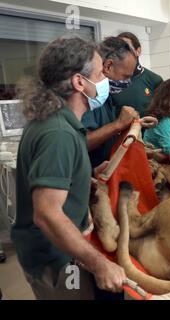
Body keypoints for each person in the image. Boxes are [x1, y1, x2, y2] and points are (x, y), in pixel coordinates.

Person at [11, 36, 127, 300]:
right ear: (78, 82)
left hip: (59, 251)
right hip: (57, 260)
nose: (105, 80)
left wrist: (85, 175)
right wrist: (100, 264)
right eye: (100, 74)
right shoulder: (58, 133)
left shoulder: (59, 122)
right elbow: (48, 214)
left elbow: (54, 180)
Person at [81, 37, 141, 168]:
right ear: (107, 66)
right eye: (125, 76)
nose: (127, 82)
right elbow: (80, 143)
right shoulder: (88, 97)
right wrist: (117, 125)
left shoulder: (106, 96)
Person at [114, 32, 163, 118]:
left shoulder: (154, 80)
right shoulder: (110, 80)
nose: (122, 52)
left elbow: (162, 112)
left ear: (138, 51)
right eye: (118, 48)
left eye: (126, 48)